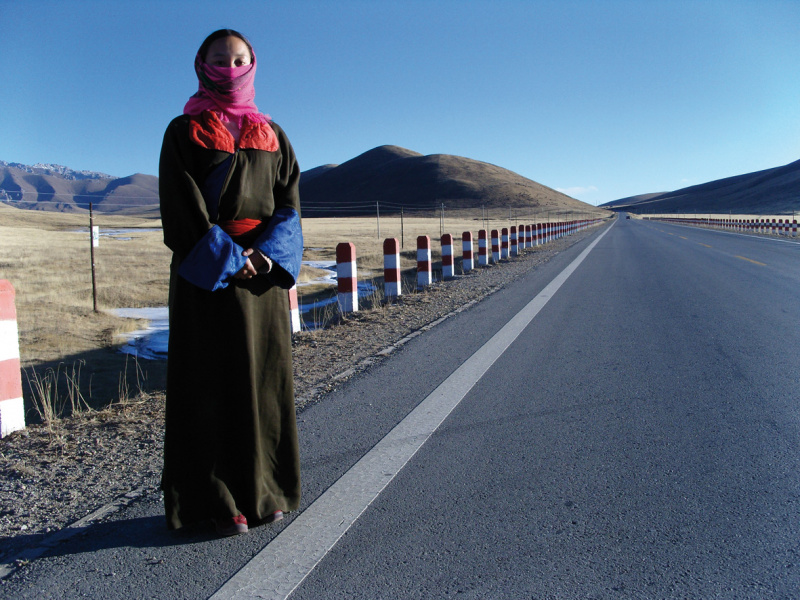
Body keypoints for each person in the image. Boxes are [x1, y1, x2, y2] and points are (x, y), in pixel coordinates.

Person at [158, 29, 303, 536]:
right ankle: (214, 502)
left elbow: (289, 205)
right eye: (220, 59)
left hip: (261, 282)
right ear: (202, 65)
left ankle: (265, 491)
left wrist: (264, 257)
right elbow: (180, 205)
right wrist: (226, 258)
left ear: (252, 65)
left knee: (263, 382)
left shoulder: (273, 134)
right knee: (208, 383)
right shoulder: (184, 130)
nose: (230, 67)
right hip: (206, 281)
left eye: (239, 59)